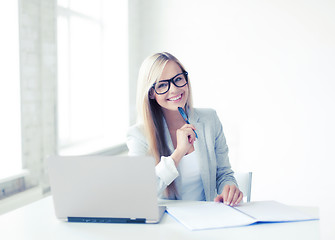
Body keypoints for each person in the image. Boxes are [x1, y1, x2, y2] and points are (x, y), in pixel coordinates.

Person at [127, 52, 243, 206]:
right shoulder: (138, 136)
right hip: (167, 225)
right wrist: (178, 153)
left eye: (178, 79)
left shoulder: (209, 119)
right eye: (162, 84)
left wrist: (229, 188)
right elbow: (139, 193)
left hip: (208, 219)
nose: (174, 89)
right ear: (151, 93)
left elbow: (224, 174)